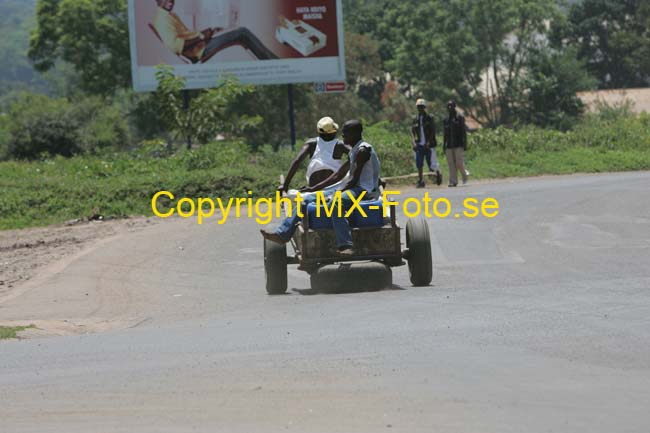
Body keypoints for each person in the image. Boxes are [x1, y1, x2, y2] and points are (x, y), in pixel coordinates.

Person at [261, 120, 381, 256]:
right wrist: (314, 189)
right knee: (305, 200)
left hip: (363, 191)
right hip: (352, 189)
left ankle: (346, 245)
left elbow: (353, 180)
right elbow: (338, 175)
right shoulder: (354, 150)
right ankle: (282, 234)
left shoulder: (363, 150)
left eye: (345, 132)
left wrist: (334, 194)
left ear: (355, 134)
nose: (342, 135)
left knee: (336, 202)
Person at [152, 0, 277, 63]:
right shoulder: (161, 20)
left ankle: (269, 60)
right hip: (200, 51)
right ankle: (273, 62)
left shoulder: (169, 15)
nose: (171, 1)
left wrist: (206, 33)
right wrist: (201, 36)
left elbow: (186, 36)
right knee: (242, 32)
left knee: (237, 31)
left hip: (201, 45)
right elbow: (175, 46)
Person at [278, 117, 350, 193]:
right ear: (334, 131)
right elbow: (356, 153)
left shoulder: (311, 143)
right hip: (334, 188)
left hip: (313, 189)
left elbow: (297, 161)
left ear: (318, 132)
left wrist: (285, 185)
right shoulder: (340, 145)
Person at [411, 99, 442, 188]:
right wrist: (413, 142)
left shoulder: (429, 117)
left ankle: (438, 174)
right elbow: (412, 131)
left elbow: (433, 131)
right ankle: (421, 180)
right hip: (419, 144)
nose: (420, 109)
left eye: (421, 107)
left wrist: (428, 142)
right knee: (419, 163)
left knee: (432, 164)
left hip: (429, 145)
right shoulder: (415, 119)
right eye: (418, 107)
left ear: (424, 107)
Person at [443, 100, 469, 187]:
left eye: (451, 106)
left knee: (459, 163)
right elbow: (445, 134)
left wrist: (465, 143)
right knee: (451, 164)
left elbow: (463, 132)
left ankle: (465, 176)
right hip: (449, 145)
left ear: (454, 107)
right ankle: (453, 181)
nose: (450, 108)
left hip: (459, 144)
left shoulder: (460, 118)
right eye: (448, 106)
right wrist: (444, 145)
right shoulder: (446, 120)